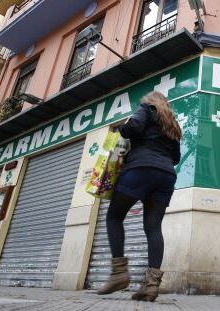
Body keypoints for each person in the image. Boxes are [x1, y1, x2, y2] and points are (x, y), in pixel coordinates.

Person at [97, 91, 182, 302]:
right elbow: (176, 158)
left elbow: (132, 128)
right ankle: (151, 286)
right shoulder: (172, 124)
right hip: (166, 176)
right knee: (153, 227)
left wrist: (122, 129)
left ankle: (119, 274)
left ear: (149, 101)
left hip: (140, 169)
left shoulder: (145, 110)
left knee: (114, 217)